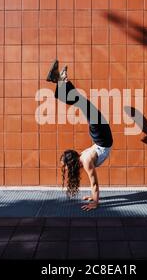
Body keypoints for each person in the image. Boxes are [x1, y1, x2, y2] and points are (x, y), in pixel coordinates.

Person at [46, 60, 113, 211]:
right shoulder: (84, 159)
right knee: (81, 102)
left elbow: (94, 183)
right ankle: (61, 81)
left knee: (81, 102)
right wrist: (93, 196)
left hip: (100, 135)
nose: (66, 170)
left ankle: (60, 81)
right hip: (100, 135)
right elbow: (93, 183)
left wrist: (95, 202)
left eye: (65, 167)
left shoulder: (86, 160)